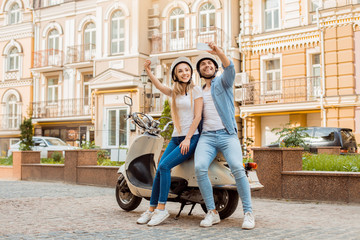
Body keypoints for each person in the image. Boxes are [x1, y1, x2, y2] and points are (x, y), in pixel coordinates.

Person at [194, 42, 255, 229]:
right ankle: (212, 212)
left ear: (215, 67)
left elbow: (230, 68)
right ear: (199, 71)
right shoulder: (198, 91)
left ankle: (248, 213)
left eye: (210, 63)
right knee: (199, 167)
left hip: (227, 135)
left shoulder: (223, 82)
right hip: (207, 137)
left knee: (237, 167)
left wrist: (218, 52)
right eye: (203, 65)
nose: (207, 66)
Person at [136, 57, 203, 226]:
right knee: (160, 169)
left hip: (191, 138)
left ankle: (161, 208)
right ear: (175, 75)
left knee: (165, 167)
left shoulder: (196, 91)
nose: (184, 73)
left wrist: (188, 138)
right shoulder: (174, 92)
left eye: (186, 70)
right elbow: (159, 86)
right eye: (180, 71)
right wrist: (149, 71)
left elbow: (198, 117)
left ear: (191, 72)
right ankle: (151, 209)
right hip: (175, 137)